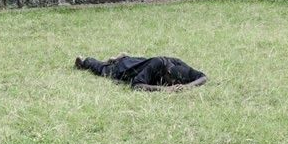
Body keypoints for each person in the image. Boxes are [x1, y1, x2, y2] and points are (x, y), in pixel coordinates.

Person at [75, 54, 207, 90]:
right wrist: (166, 89)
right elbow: (136, 86)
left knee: (134, 61)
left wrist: (187, 86)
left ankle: (121, 57)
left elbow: (203, 77)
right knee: (102, 69)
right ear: (166, 72)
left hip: (138, 62)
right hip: (124, 68)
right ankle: (84, 61)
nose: (173, 82)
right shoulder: (158, 63)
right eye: (170, 80)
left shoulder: (181, 67)